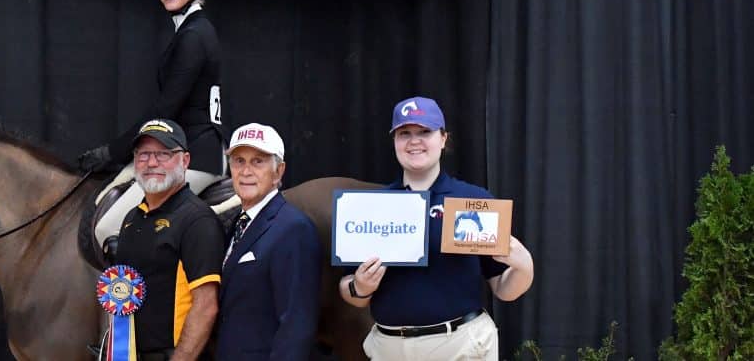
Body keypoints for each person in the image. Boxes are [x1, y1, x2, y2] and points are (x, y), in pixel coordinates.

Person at [339, 96, 534, 361]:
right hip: (390, 349)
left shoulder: (474, 202)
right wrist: (360, 287)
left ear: (443, 139)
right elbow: (350, 288)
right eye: (404, 133)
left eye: (425, 131)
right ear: (394, 142)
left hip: (461, 346)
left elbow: (503, 288)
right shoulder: (373, 206)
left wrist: (524, 266)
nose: (414, 140)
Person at [80, 0, 231, 255]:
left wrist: (114, 151)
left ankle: (132, 303)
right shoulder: (192, 30)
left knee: (109, 227)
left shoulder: (194, 36)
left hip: (195, 155)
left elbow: (166, 109)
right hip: (183, 147)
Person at [115, 118, 225, 361]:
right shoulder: (131, 219)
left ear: (185, 160)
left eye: (163, 154)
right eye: (143, 155)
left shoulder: (197, 221)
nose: (152, 162)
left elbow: (206, 306)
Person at [215, 123, 321, 361]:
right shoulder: (236, 224)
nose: (246, 171)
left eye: (258, 161)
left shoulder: (294, 228)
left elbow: (296, 325)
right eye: (239, 161)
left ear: (279, 171)